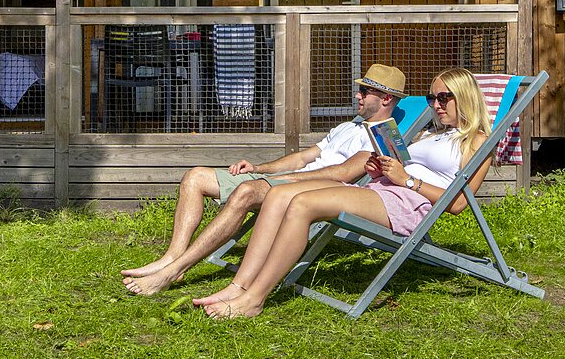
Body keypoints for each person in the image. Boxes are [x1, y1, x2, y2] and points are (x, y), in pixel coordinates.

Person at [193, 67, 492, 319]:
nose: (435, 105)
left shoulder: (478, 142)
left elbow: (458, 204)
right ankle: (238, 286)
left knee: (302, 204)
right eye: (432, 98)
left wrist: (407, 181)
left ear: (463, 97)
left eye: (443, 97)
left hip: (406, 202)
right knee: (278, 195)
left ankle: (254, 299)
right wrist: (383, 168)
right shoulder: (432, 134)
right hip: (382, 187)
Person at [120, 63, 407, 296]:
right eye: (360, 89)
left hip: (317, 188)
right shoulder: (348, 126)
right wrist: (262, 168)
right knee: (195, 177)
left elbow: (345, 173)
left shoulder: (382, 136)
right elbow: (301, 157)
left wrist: (289, 178)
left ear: (386, 99)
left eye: (365, 91)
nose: (358, 95)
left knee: (246, 192)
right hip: (291, 177)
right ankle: (173, 256)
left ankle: (172, 272)